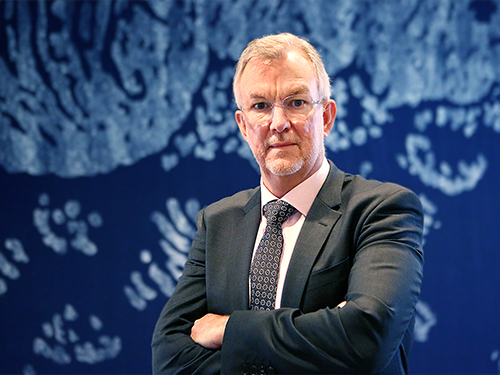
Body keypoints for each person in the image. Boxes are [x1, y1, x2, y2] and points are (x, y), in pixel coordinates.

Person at [152, 33, 424, 375]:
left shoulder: (382, 210)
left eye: (296, 102)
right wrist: (321, 336)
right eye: (260, 106)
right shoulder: (217, 222)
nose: (278, 123)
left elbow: (366, 338)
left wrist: (229, 329)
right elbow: (169, 357)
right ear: (243, 126)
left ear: (325, 117)